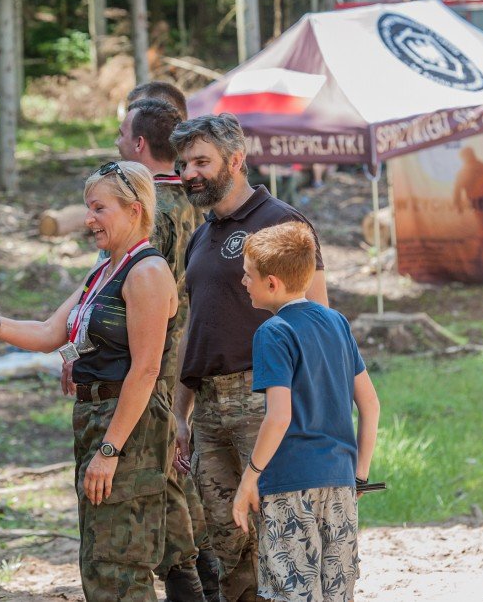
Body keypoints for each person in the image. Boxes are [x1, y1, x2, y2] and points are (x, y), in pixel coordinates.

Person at [0, 162, 181, 602]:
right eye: (88, 208)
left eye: (99, 209)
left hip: (129, 427)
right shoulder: (104, 269)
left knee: (121, 564)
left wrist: (110, 449)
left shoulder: (146, 273)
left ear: (134, 210)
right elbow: (52, 331)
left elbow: (144, 370)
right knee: (99, 557)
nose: (88, 220)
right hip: (94, 416)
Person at [169, 113, 329, 602]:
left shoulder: (280, 221)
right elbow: (196, 330)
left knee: (278, 533)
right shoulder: (200, 235)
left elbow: (318, 317)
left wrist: (311, 404)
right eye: (183, 164)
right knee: (227, 540)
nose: (190, 173)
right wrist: (180, 412)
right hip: (209, 410)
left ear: (236, 161)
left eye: (202, 161)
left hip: (266, 399)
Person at [231, 221, 380, 602]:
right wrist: (359, 474)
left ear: (272, 283)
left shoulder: (273, 332)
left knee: (293, 592)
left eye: (248, 275)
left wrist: (250, 478)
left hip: (289, 484)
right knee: (336, 592)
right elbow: (370, 404)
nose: (243, 281)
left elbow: (278, 416)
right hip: (341, 482)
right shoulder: (336, 322)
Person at [116, 96, 217, 601]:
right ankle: (205, 576)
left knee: (162, 473)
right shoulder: (203, 202)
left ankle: (195, 583)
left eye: (121, 135)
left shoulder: (146, 212)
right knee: (183, 470)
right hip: (199, 351)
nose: (116, 144)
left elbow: (126, 290)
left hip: (153, 359)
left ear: (138, 144)